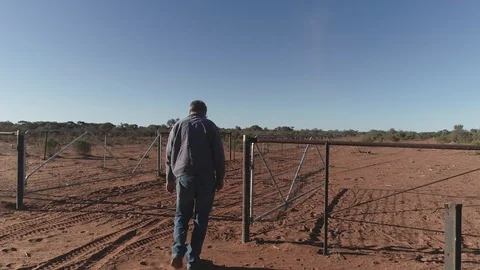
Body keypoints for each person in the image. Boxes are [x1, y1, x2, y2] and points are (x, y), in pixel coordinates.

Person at [166, 100, 225, 270]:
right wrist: (220, 177)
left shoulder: (177, 125)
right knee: (201, 218)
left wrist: (169, 179)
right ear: (204, 112)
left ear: (190, 111)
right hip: (206, 179)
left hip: (183, 177)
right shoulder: (209, 125)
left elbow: (169, 154)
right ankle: (193, 261)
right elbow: (218, 155)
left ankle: (177, 253)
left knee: (181, 216)